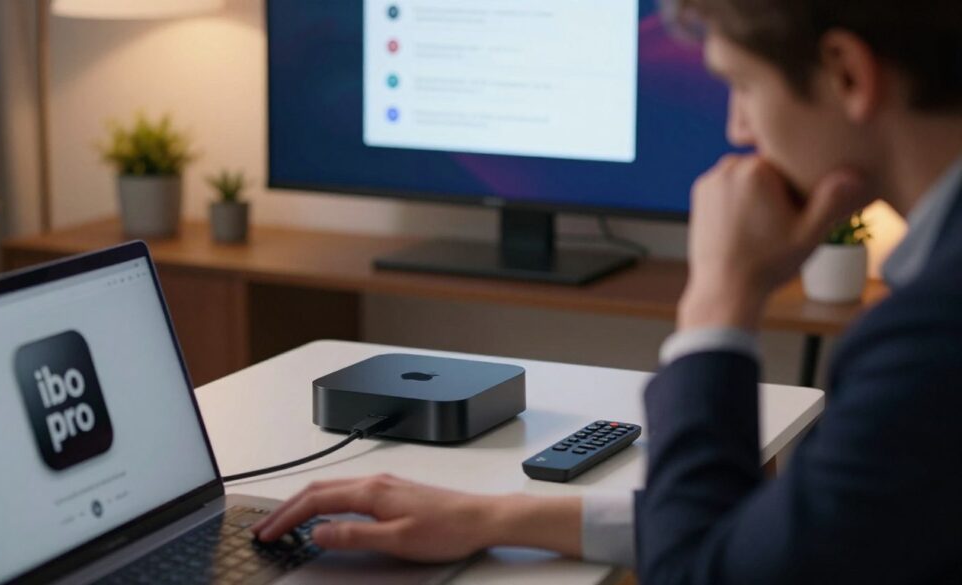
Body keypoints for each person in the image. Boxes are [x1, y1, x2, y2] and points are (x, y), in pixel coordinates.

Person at [253, 0, 962, 581]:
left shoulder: (929, 338)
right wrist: (495, 516)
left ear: (847, 74)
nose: (736, 128)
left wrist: (719, 299)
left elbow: (707, 571)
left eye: (742, 86)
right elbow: (795, 537)